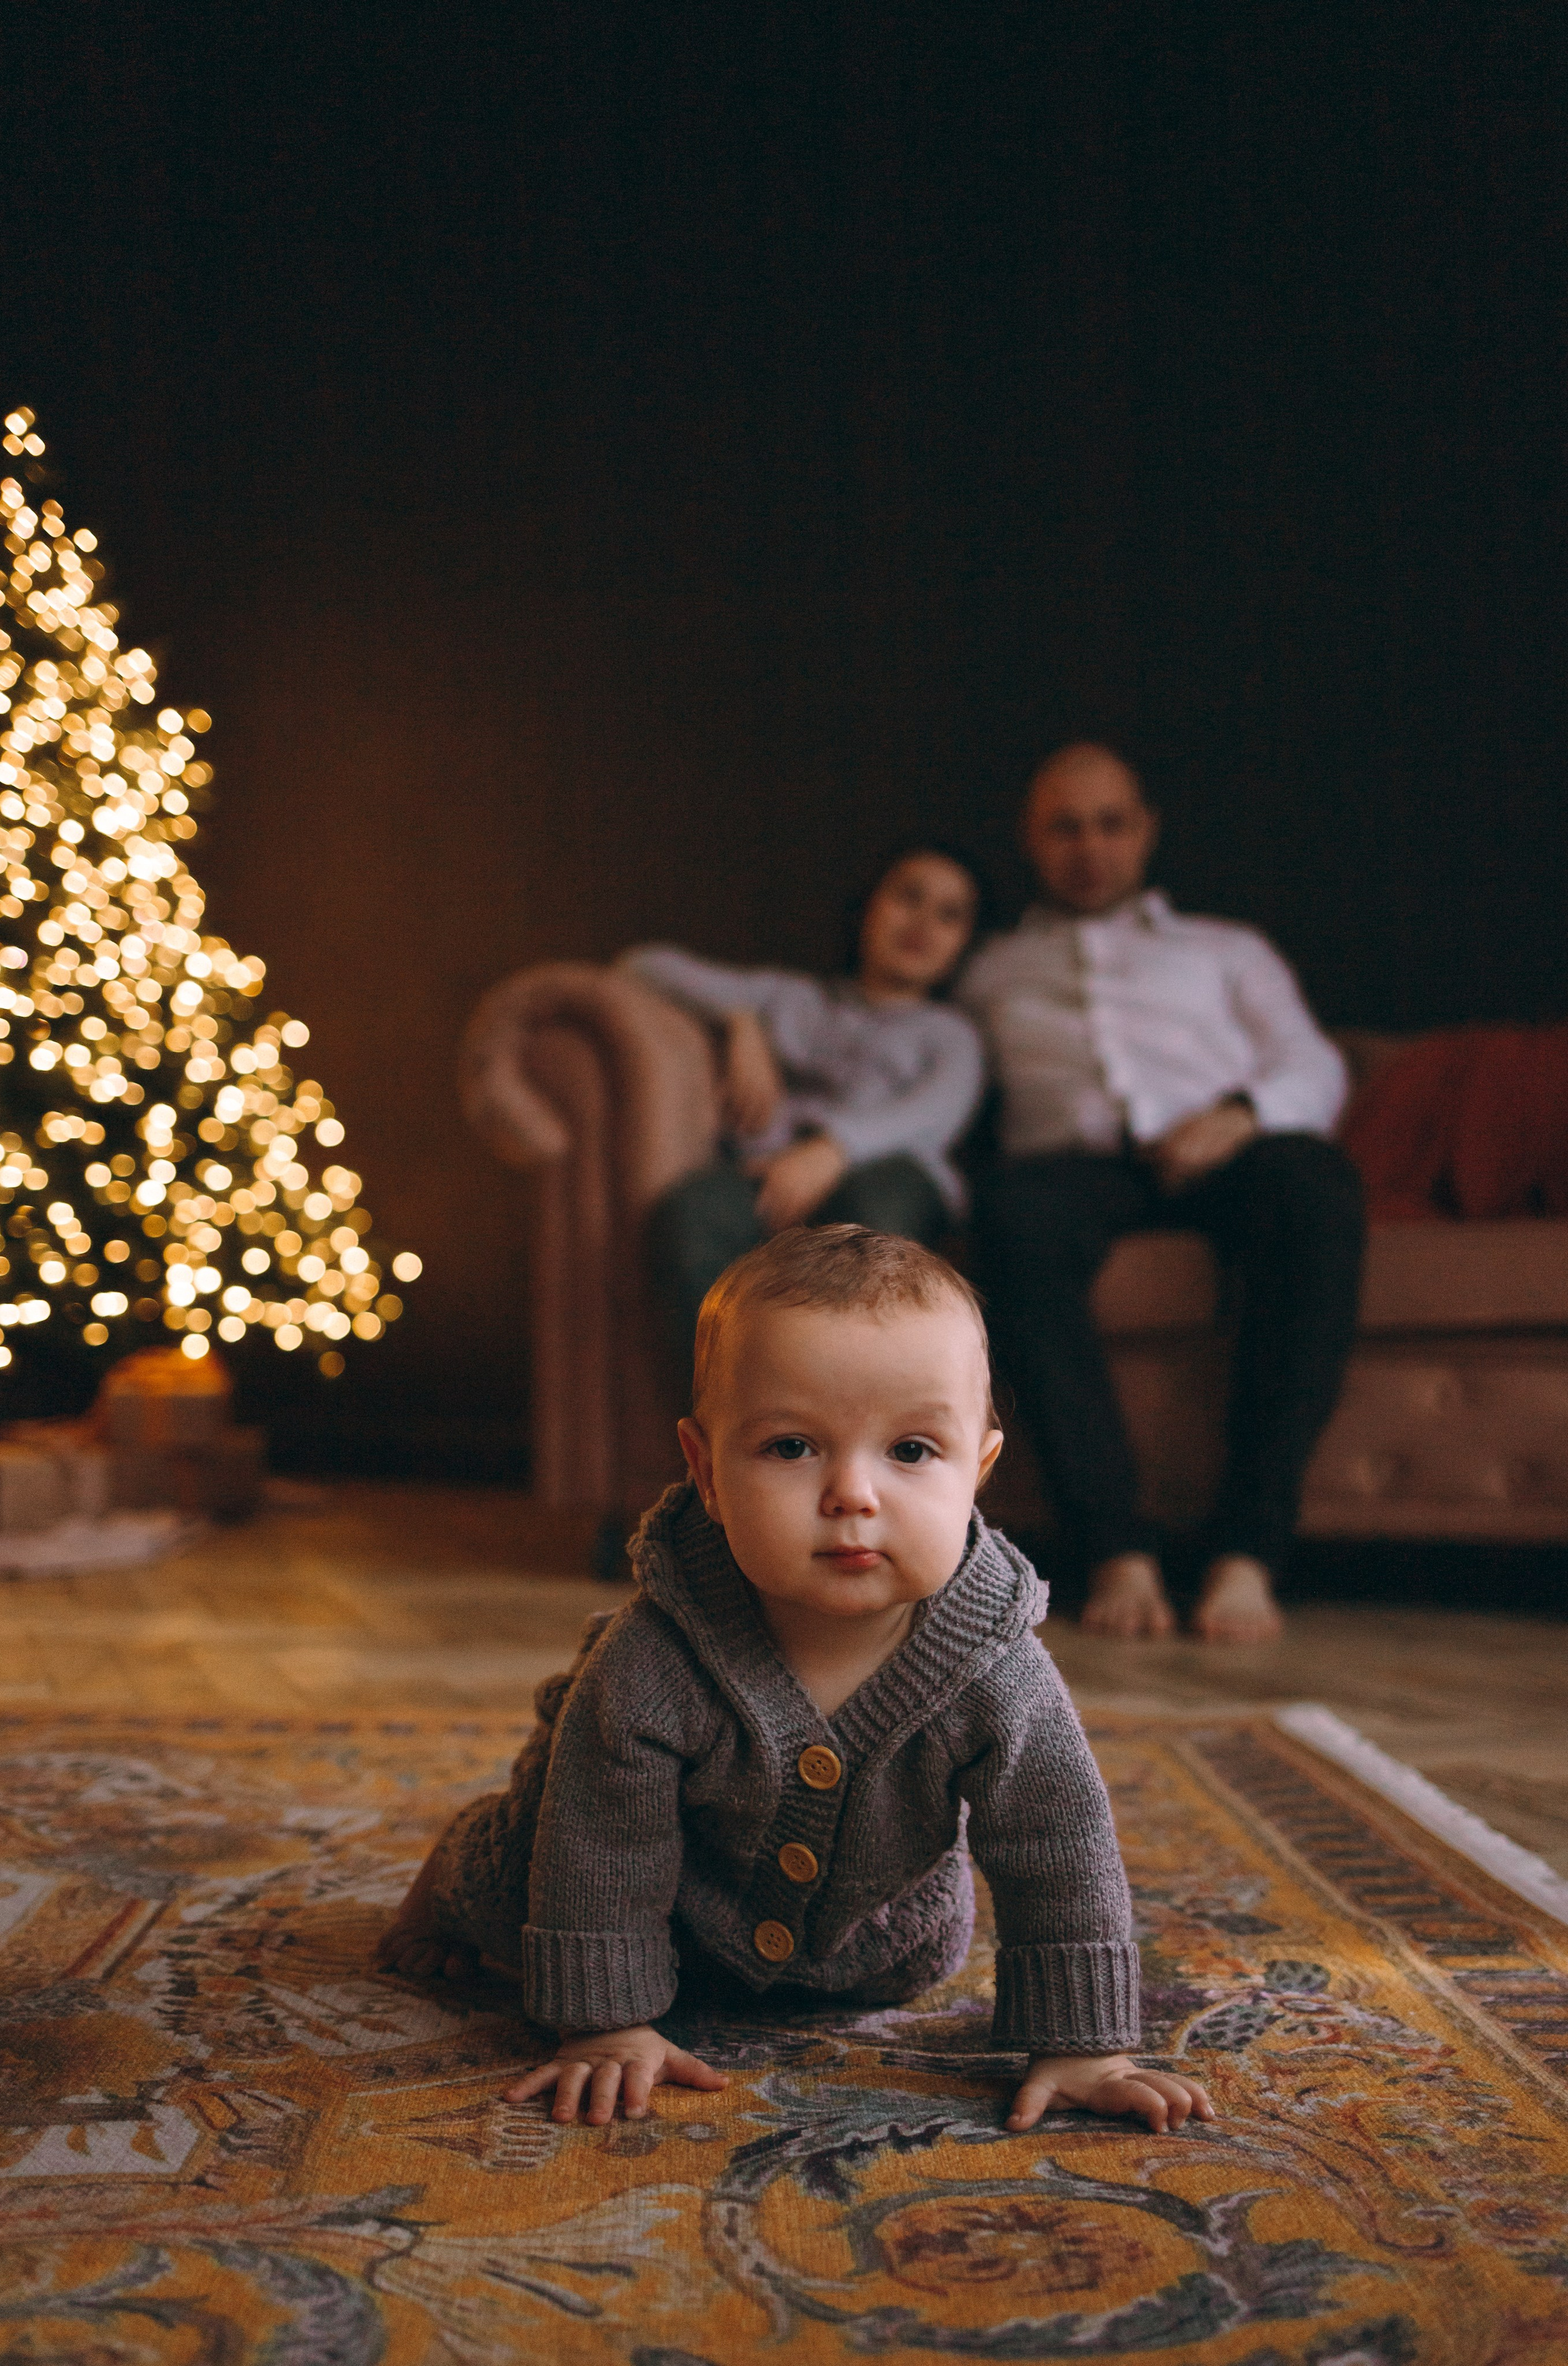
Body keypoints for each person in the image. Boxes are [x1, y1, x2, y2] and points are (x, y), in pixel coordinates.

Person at [378, 1224, 1214, 2139]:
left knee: (930, 1943)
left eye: (911, 1451)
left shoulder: (997, 1665)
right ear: (705, 1471)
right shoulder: (653, 1658)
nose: (853, 1493)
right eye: (790, 1448)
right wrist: (605, 2024)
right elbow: (599, 1845)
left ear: (977, 1473)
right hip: (671, 1923)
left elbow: (1059, 1845)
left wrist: (1084, 2046)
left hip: (877, 1943)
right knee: (510, 1882)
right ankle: (448, 1870)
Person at [960, 744, 1364, 1646]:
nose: (1089, 847)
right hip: (1069, 1171)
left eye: (1110, 824)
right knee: (1009, 1218)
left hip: (1227, 1151)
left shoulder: (1227, 949)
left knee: (1316, 1187)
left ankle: (1250, 1552)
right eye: (1065, 828)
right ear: (1032, 840)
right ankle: (1113, 1549)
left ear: (1144, 832)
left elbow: (1312, 1061)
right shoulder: (988, 970)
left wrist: (1241, 1115)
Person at [622, 847, 986, 1394]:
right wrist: (740, 1020)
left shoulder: (952, 1034)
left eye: (949, 915)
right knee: (692, 1211)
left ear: (964, 944)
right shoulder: (790, 999)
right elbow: (643, 966)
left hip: (894, 1176)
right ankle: (731, 1414)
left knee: (873, 1223)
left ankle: (860, 1414)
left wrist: (831, 1151)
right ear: (868, 908)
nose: (922, 923)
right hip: (773, 1174)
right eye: (908, 897)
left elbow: (936, 1111)